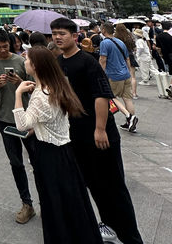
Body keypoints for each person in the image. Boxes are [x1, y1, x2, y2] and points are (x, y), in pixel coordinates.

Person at [52, 17, 144, 244]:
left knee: (114, 187)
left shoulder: (87, 61)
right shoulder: (59, 62)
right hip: (77, 134)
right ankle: (109, 226)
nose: (57, 37)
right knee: (94, 186)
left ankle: (131, 237)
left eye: (62, 33)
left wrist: (100, 129)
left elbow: (102, 95)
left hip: (99, 134)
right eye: (54, 33)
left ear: (75, 37)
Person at [13, 47, 102, 244]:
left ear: (35, 66)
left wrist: (18, 93)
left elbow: (22, 124)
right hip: (65, 151)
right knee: (72, 200)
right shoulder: (55, 86)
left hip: (48, 154)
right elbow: (51, 120)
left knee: (53, 202)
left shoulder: (39, 95)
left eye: (26, 59)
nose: (24, 62)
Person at [0, 27, 37, 225]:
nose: (3, 51)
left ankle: (48, 200)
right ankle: (27, 203)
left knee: (38, 162)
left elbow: (35, 89)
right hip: (5, 119)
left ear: (11, 43)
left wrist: (20, 82)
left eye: (5, 46)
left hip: (28, 119)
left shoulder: (21, 61)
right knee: (16, 163)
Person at [99, 22, 138, 132]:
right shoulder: (120, 42)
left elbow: (103, 60)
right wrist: (129, 72)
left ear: (104, 30)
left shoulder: (105, 43)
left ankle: (129, 117)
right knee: (127, 99)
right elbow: (128, 59)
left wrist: (100, 73)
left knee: (111, 97)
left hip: (114, 75)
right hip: (125, 74)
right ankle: (130, 122)